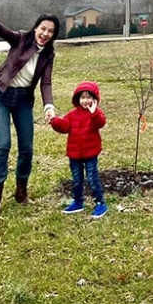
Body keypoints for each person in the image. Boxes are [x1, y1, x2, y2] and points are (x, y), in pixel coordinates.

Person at [0, 0, 60, 217]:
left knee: (27, 148)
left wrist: (49, 106)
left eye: (50, 31)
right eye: (43, 28)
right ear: (36, 27)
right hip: (0, 97)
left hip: (22, 100)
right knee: (3, 145)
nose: (45, 33)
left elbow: (46, 82)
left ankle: (21, 192)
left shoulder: (49, 54)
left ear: (53, 35)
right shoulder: (21, 39)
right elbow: (3, 32)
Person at [50, 81, 108, 219]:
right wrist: (54, 121)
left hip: (90, 153)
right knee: (77, 180)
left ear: (94, 99)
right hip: (74, 154)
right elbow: (64, 126)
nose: (85, 101)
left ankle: (100, 203)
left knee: (92, 178)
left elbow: (101, 123)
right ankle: (78, 202)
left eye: (89, 97)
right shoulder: (72, 114)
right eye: (82, 97)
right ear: (77, 99)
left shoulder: (96, 114)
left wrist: (94, 113)